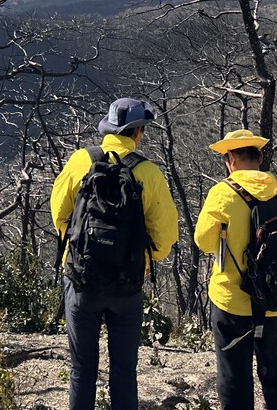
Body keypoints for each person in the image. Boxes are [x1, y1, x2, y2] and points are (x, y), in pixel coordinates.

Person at [51, 98, 179, 410]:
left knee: (82, 369)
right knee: (124, 372)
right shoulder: (147, 173)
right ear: (138, 132)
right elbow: (165, 234)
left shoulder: (81, 161)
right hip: (126, 284)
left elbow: (59, 214)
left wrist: (80, 248)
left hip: (82, 280)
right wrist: (144, 260)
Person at [194, 129, 277, 410]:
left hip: (232, 300)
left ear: (230, 159)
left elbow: (203, 241)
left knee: (234, 376)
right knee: (273, 369)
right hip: (274, 297)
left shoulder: (222, 193)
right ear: (260, 157)